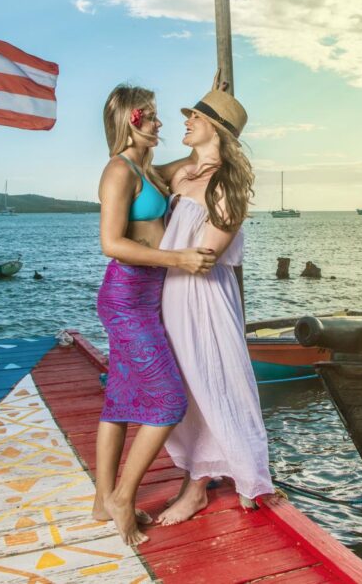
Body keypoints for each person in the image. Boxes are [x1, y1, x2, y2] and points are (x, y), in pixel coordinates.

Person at [92, 84, 217, 545]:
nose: (161, 123)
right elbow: (112, 243)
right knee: (167, 402)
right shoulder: (118, 172)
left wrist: (211, 125)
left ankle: (101, 500)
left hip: (146, 297)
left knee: (120, 402)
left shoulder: (147, 169)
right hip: (126, 298)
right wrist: (179, 258)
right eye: (154, 117)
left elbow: (188, 166)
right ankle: (124, 496)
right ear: (132, 120)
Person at [156, 88, 275, 525]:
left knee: (212, 382)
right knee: (185, 387)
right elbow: (140, 171)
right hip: (169, 290)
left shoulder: (227, 185)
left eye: (195, 118)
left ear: (216, 130)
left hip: (202, 297)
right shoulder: (183, 174)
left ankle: (204, 487)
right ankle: (201, 472)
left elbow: (204, 258)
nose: (185, 122)